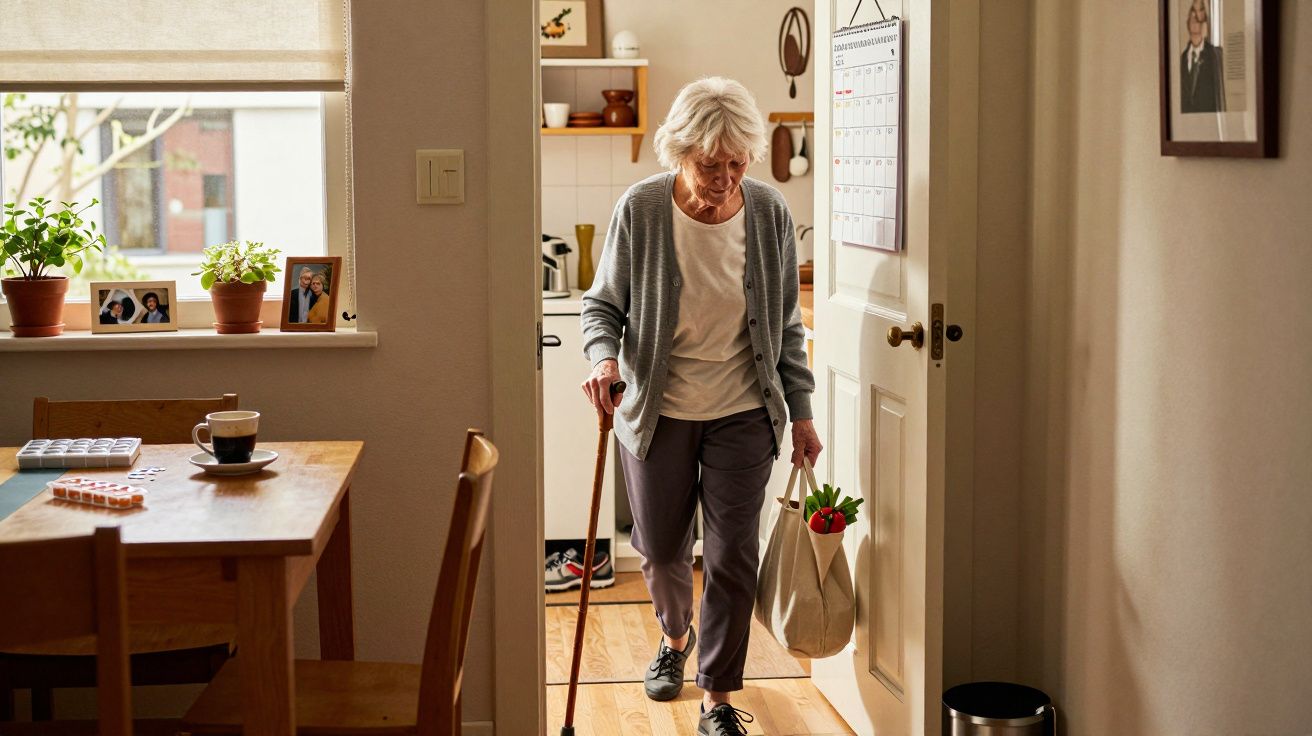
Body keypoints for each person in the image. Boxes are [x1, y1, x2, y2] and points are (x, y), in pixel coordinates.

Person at [579, 77, 820, 736]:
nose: (725, 178)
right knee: (659, 550)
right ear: (679, 153)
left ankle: (717, 695)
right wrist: (604, 358)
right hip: (658, 410)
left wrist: (800, 412)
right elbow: (602, 306)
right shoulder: (643, 209)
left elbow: (786, 331)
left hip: (745, 411)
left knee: (731, 555)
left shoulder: (767, 214)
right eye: (710, 165)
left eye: (737, 163)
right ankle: (674, 637)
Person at [1180, 0, 1225, 113]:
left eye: (1199, 12)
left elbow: (1219, 95)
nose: (1195, 18)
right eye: (1192, 14)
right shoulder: (1181, 59)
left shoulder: (1214, 55)